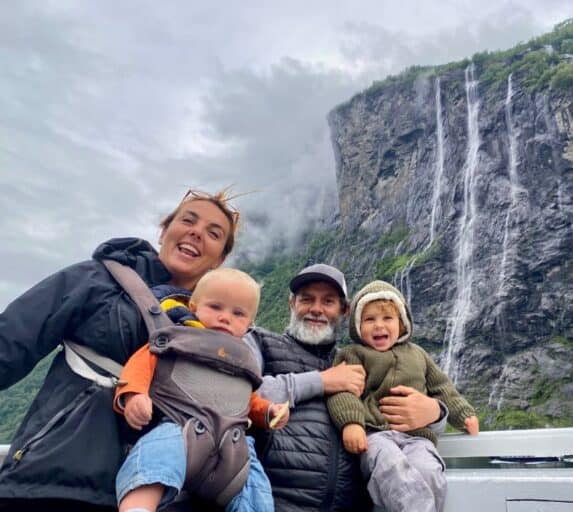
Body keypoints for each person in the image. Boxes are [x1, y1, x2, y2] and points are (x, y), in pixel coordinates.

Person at [0, 188, 241, 511]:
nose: (197, 233)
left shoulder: (222, 326)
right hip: (57, 482)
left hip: (166, 496)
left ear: (221, 258)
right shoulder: (97, 279)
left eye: (214, 233)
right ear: (164, 230)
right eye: (188, 220)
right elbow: (11, 342)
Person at [247, 263, 448, 512]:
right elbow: (238, 393)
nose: (316, 309)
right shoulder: (261, 342)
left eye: (328, 301)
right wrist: (323, 381)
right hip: (277, 504)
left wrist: (436, 413)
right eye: (306, 299)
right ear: (291, 304)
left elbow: (391, 417)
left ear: (344, 311)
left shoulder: (362, 359)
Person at [114, 268, 288, 512]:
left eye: (238, 313)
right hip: (180, 426)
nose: (225, 318)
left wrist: (269, 412)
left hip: (232, 443)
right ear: (193, 306)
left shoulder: (242, 358)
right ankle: (138, 507)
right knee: (156, 455)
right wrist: (134, 394)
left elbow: (246, 399)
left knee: (254, 483)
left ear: (250, 324)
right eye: (216, 307)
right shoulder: (180, 337)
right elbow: (144, 362)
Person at [327, 280, 479, 512]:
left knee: (428, 469)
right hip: (375, 436)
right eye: (369, 319)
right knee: (391, 465)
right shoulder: (353, 354)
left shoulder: (419, 354)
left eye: (387, 318)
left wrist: (463, 413)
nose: (379, 326)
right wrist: (351, 423)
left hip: (418, 438)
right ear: (357, 325)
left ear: (402, 323)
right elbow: (343, 392)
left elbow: (442, 388)